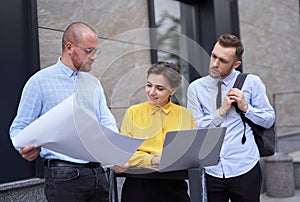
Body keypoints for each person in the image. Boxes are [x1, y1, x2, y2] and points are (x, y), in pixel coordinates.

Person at [10, 22, 118, 202]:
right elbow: (19, 128)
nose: (94, 57)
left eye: (95, 51)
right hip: (64, 177)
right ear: (69, 47)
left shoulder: (94, 84)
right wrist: (25, 147)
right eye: (89, 50)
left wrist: (115, 145)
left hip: (98, 175)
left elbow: (107, 123)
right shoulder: (39, 82)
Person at [187, 34, 275, 202]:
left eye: (222, 60)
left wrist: (246, 108)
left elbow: (269, 118)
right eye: (213, 56)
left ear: (236, 64)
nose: (214, 63)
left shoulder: (251, 82)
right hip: (211, 170)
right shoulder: (196, 88)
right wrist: (220, 112)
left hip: (245, 166)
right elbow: (195, 127)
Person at [114, 61, 195, 202]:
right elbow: (123, 153)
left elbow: (190, 153)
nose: (151, 92)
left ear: (173, 90)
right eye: (149, 85)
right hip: (138, 188)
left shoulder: (185, 115)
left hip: (174, 188)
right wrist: (153, 159)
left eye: (159, 88)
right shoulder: (133, 113)